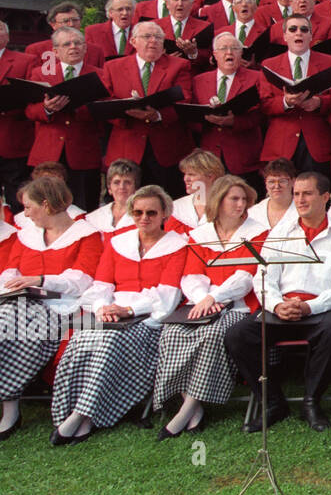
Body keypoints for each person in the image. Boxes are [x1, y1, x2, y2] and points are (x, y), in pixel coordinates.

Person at [223, 171, 331, 432]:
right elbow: (263, 278)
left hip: (321, 308)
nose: (300, 199)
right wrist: (276, 305)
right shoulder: (280, 232)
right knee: (237, 335)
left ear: (325, 197)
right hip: (281, 308)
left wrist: (310, 306)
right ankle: (272, 402)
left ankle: (311, 402)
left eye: (307, 193)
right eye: (296, 194)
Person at [52, 185, 185, 444]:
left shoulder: (177, 246)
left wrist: (129, 309)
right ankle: (71, 411)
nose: (144, 218)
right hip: (111, 314)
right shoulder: (118, 243)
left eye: (151, 212)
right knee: (81, 339)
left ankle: (83, 415)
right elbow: (101, 284)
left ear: (164, 214)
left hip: (148, 319)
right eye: (137, 212)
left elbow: (169, 296)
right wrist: (103, 307)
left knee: (109, 343)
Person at [154, 176, 267, 439]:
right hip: (200, 303)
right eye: (234, 199)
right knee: (172, 335)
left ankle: (186, 412)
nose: (240, 204)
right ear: (219, 201)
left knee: (213, 336)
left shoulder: (257, 232)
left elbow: (246, 275)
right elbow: (191, 275)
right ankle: (189, 407)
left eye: (244, 199)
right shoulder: (200, 235)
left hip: (238, 305)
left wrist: (215, 297)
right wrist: (203, 298)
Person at [0, 176, 100, 442]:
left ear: (45, 205)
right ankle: (10, 407)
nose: (25, 213)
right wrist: (13, 285)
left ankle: (10, 411)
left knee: (8, 326)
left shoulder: (86, 235)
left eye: (29, 206)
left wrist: (41, 280)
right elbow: (10, 269)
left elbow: (82, 279)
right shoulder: (27, 235)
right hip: (20, 301)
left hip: (60, 307)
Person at [101, 22, 194, 197]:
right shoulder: (113, 67)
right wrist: (126, 113)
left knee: (168, 201)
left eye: (158, 37)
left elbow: (186, 99)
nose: (153, 41)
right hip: (127, 146)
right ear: (133, 41)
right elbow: (105, 102)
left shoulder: (179, 66)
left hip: (166, 148)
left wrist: (158, 115)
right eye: (147, 37)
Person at [24, 27, 105, 211]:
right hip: (49, 151)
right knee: (45, 205)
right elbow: (29, 111)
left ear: (85, 48)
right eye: (67, 44)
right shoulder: (41, 74)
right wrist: (46, 109)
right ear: (55, 51)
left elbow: (106, 110)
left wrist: (79, 108)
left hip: (83, 151)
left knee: (83, 206)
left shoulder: (99, 74)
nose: (73, 47)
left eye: (78, 43)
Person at [258, 15, 331, 177]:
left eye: (304, 29)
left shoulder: (329, 62)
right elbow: (264, 104)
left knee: (315, 192)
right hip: (281, 143)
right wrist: (286, 102)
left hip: (316, 141)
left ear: (311, 36)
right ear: (285, 36)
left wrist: (319, 103)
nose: (298, 33)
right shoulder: (269, 65)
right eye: (293, 29)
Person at [192, 31, 263, 181]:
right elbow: (191, 115)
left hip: (242, 155)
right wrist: (205, 119)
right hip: (210, 156)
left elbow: (262, 114)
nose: (229, 52)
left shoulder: (256, 78)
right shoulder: (199, 80)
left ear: (241, 53)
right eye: (223, 48)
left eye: (235, 49)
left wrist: (234, 122)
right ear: (215, 54)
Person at [0, 22, 34, 211]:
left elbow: (32, 97)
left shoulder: (25, 61)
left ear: (7, 37)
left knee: (17, 203)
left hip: (12, 139)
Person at [85, 159, 140, 236]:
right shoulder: (93, 218)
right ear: (109, 188)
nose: (122, 187)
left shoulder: (143, 217)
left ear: (136, 188)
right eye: (116, 182)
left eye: (127, 182)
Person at [247, 158, 295, 230]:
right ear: (266, 183)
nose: (277, 186)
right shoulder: (253, 213)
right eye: (271, 182)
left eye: (282, 181)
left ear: (293, 182)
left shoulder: (302, 210)